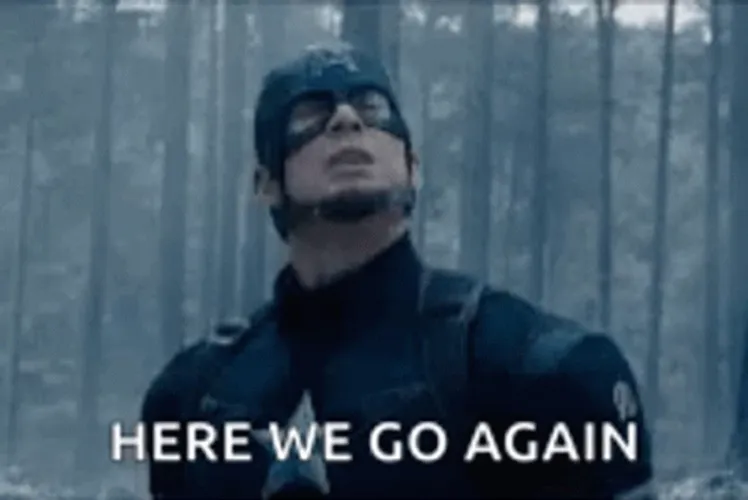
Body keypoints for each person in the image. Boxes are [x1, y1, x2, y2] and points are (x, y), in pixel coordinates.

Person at [141, 42, 655, 499]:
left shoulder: (545, 370)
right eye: (310, 112)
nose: (347, 120)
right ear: (266, 183)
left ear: (412, 166)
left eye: (372, 107)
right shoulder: (192, 395)